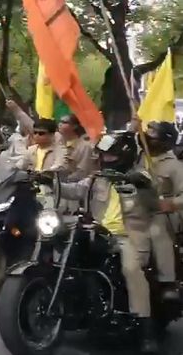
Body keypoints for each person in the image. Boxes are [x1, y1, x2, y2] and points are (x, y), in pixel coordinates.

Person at [55, 132, 158, 353]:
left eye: (111, 156)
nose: (106, 159)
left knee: (131, 270)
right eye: (104, 155)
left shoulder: (142, 177)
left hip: (127, 236)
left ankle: (146, 329)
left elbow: (154, 201)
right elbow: (75, 190)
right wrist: (51, 182)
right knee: (66, 253)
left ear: (126, 155)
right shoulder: (96, 179)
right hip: (98, 231)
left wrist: (140, 185)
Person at [138, 120, 183, 301]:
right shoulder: (138, 157)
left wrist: (170, 204)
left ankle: (167, 281)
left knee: (158, 231)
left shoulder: (175, 166)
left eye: (153, 135)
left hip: (165, 213)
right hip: (136, 209)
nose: (148, 137)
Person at [57, 114, 95, 182]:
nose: (60, 124)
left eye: (64, 122)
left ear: (75, 126)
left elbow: (83, 171)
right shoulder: (58, 144)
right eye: (60, 122)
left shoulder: (84, 146)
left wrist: (62, 181)